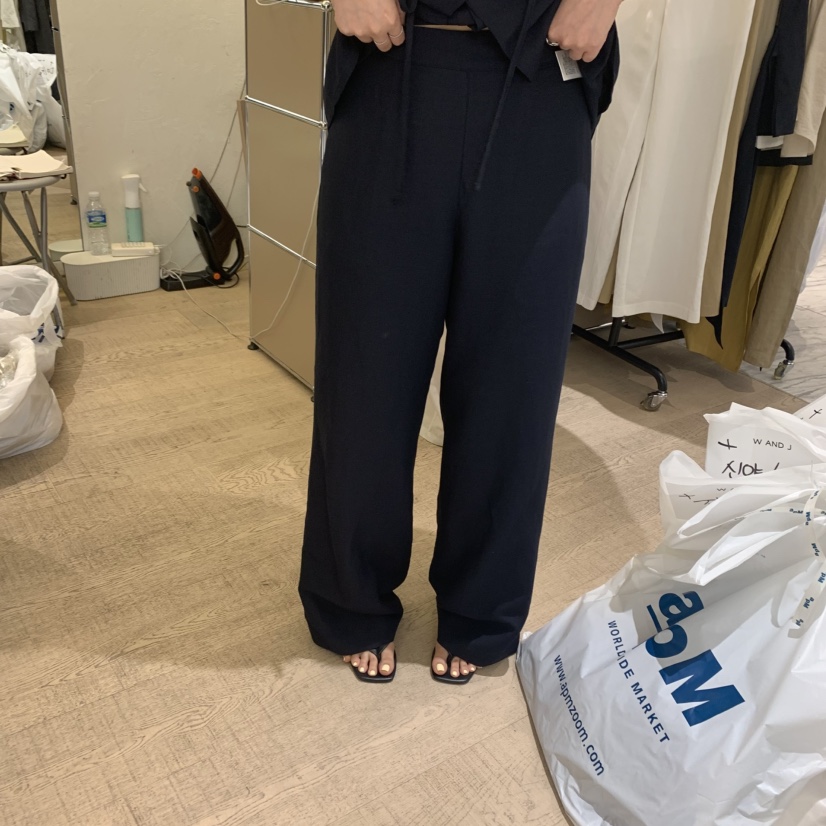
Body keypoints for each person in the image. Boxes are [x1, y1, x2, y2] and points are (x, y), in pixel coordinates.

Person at [298, 0, 621, 684]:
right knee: (365, 374)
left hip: (543, 74)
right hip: (390, 65)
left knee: (515, 381)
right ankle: (351, 594)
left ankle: (482, 606)